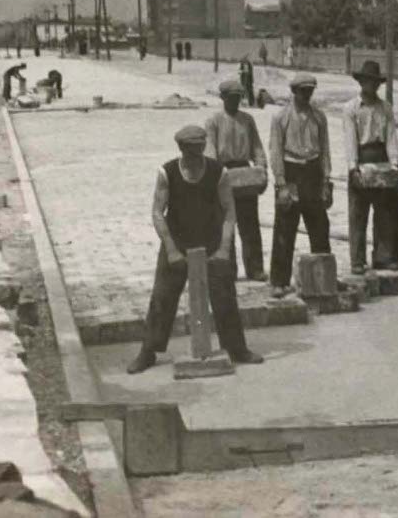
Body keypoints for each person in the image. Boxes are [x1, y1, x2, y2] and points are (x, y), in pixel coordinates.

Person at [126, 125, 263, 374]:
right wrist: (170, 249)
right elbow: (157, 212)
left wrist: (223, 248)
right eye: (190, 152)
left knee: (224, 294)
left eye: (199, 151)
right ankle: (148, 351)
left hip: (211, 240)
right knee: (162, 296)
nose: (195, 157)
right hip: (178, 240)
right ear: (181, 150)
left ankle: (237, 348)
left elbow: (230, 212)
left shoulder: (217, 172)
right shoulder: (167, 172)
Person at [268, 73, 332, 298]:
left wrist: (326, 181)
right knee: (285, 228)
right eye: (303, 91)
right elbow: (275, 152)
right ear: (294, 92)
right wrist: (281, 183)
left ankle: (324, 276)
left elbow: (325, 150)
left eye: (310, 91)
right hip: (291, 171)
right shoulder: (281, 117)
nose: (307, 95)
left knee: (320, 225)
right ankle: (279, 280)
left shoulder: (319, 118)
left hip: (313, 172)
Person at [205, 80, 269, 282]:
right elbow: (210, 152)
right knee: (226, 226)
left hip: (245, 174)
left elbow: (257, 148)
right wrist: (215, 179)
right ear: (223, 98)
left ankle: (255, 268)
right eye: (231, 97)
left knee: (250, 225)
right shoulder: (213, 121)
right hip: (224, 174)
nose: (235, 101)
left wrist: (262, 170)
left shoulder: (248, 120)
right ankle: (228, 270)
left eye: (238, 98)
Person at [342, 60, 398, 274]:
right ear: (361, 82)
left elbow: (392, 137)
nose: (372, 86)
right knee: (358, 213)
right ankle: (357, 260)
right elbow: (350, 140)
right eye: (367, 81)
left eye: (375, 82)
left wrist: (394, 165)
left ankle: (382, 257)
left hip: (381, 159)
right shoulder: (351, 109)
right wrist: (353, 168)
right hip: (362, 158)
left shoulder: (386, 108)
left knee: (384, 213)